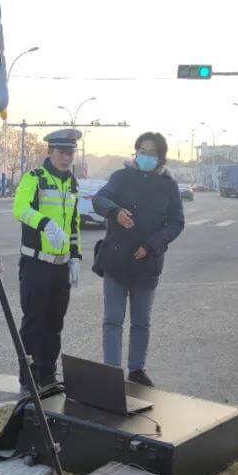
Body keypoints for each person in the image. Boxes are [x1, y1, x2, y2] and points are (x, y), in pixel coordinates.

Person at [92, 132, 184, 387]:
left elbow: (176, 222)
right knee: (112, 320)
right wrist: (115, 212)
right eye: (142, 151)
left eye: (151, 153)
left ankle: (136, 370)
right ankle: (111, 372)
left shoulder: (168, 185)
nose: (145, 157)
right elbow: (99, 199)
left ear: (160, 157)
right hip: (116, 262)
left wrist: (152, 246)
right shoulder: (121, 177)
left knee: (141, 322)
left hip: (147, 264)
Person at [12, 128, 83, 391]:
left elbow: (74, 224)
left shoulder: (71, 183)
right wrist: (45, 224)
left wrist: (76, 257)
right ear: (50, 152)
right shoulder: (34, 178)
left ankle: (48, 375)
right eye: (62, 152)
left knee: (55, 323)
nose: (67, 158)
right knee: (34, 323)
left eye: (70, 153)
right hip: (36, 264)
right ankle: (29, 379)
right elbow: (20, 209)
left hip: (60, 267)